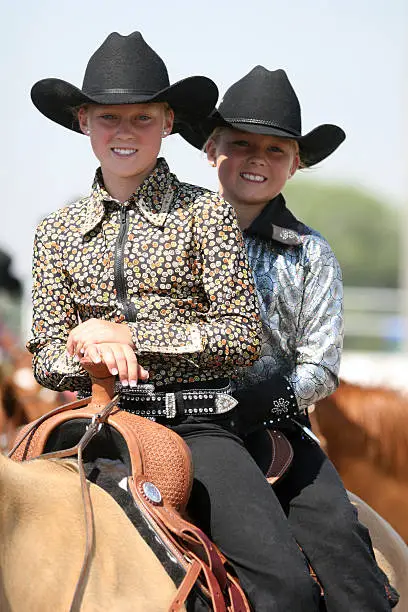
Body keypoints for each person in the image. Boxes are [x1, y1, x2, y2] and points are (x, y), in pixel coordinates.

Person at [27, 33, 322, 611]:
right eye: (108, 116)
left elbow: (239, 336)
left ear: (166, 123)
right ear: (83, 120)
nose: (125, 131)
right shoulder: (55, 232)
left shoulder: (205, 212)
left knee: (287, 589)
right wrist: (88, 351)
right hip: (88, 420)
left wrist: (132, 337)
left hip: (194, 426)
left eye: (143, 116)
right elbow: (44, 356)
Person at [180, 66, 396, 611]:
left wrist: (263, 399)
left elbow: (321, 366)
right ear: (211, 150)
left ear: (296, 163)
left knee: (342, 546)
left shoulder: (310, 253)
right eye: (241, 144)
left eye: (276, 150)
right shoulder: (170, 236)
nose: (257, 159)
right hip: (171, 415)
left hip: (268, 423)